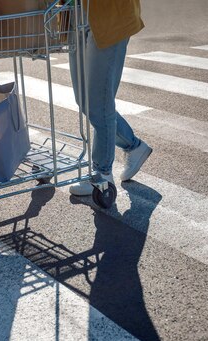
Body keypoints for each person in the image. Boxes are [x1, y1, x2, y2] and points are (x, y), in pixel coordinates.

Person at [67, 0, 153, 196]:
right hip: (74, 13)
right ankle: (133, 145)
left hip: (109, 15)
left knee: (99, 102)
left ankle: (102, 174)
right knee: (85, 100)